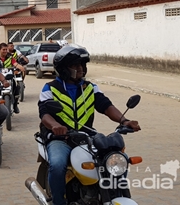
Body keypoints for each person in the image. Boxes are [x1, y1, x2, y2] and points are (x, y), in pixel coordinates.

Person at [38, 45, 141, 205]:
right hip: (60, 137)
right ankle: (59, 202)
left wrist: (124, 121)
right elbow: (44, 113)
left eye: (82, 65)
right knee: (58, 165)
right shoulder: (50, 88)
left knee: (115, 158)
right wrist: (55, 126)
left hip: (86, 136)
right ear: (64, 68)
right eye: (75, 65)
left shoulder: (90, 87)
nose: (80, 68)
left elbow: (106, 106)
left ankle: (109, 192)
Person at [0, 42, 26, 113]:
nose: (5, 51)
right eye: (3, 49)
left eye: (6, 49)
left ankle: (15, 105)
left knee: (17, 87)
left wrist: (20, 67)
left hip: (9, 77)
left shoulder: (10, 58)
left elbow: (15, 64)